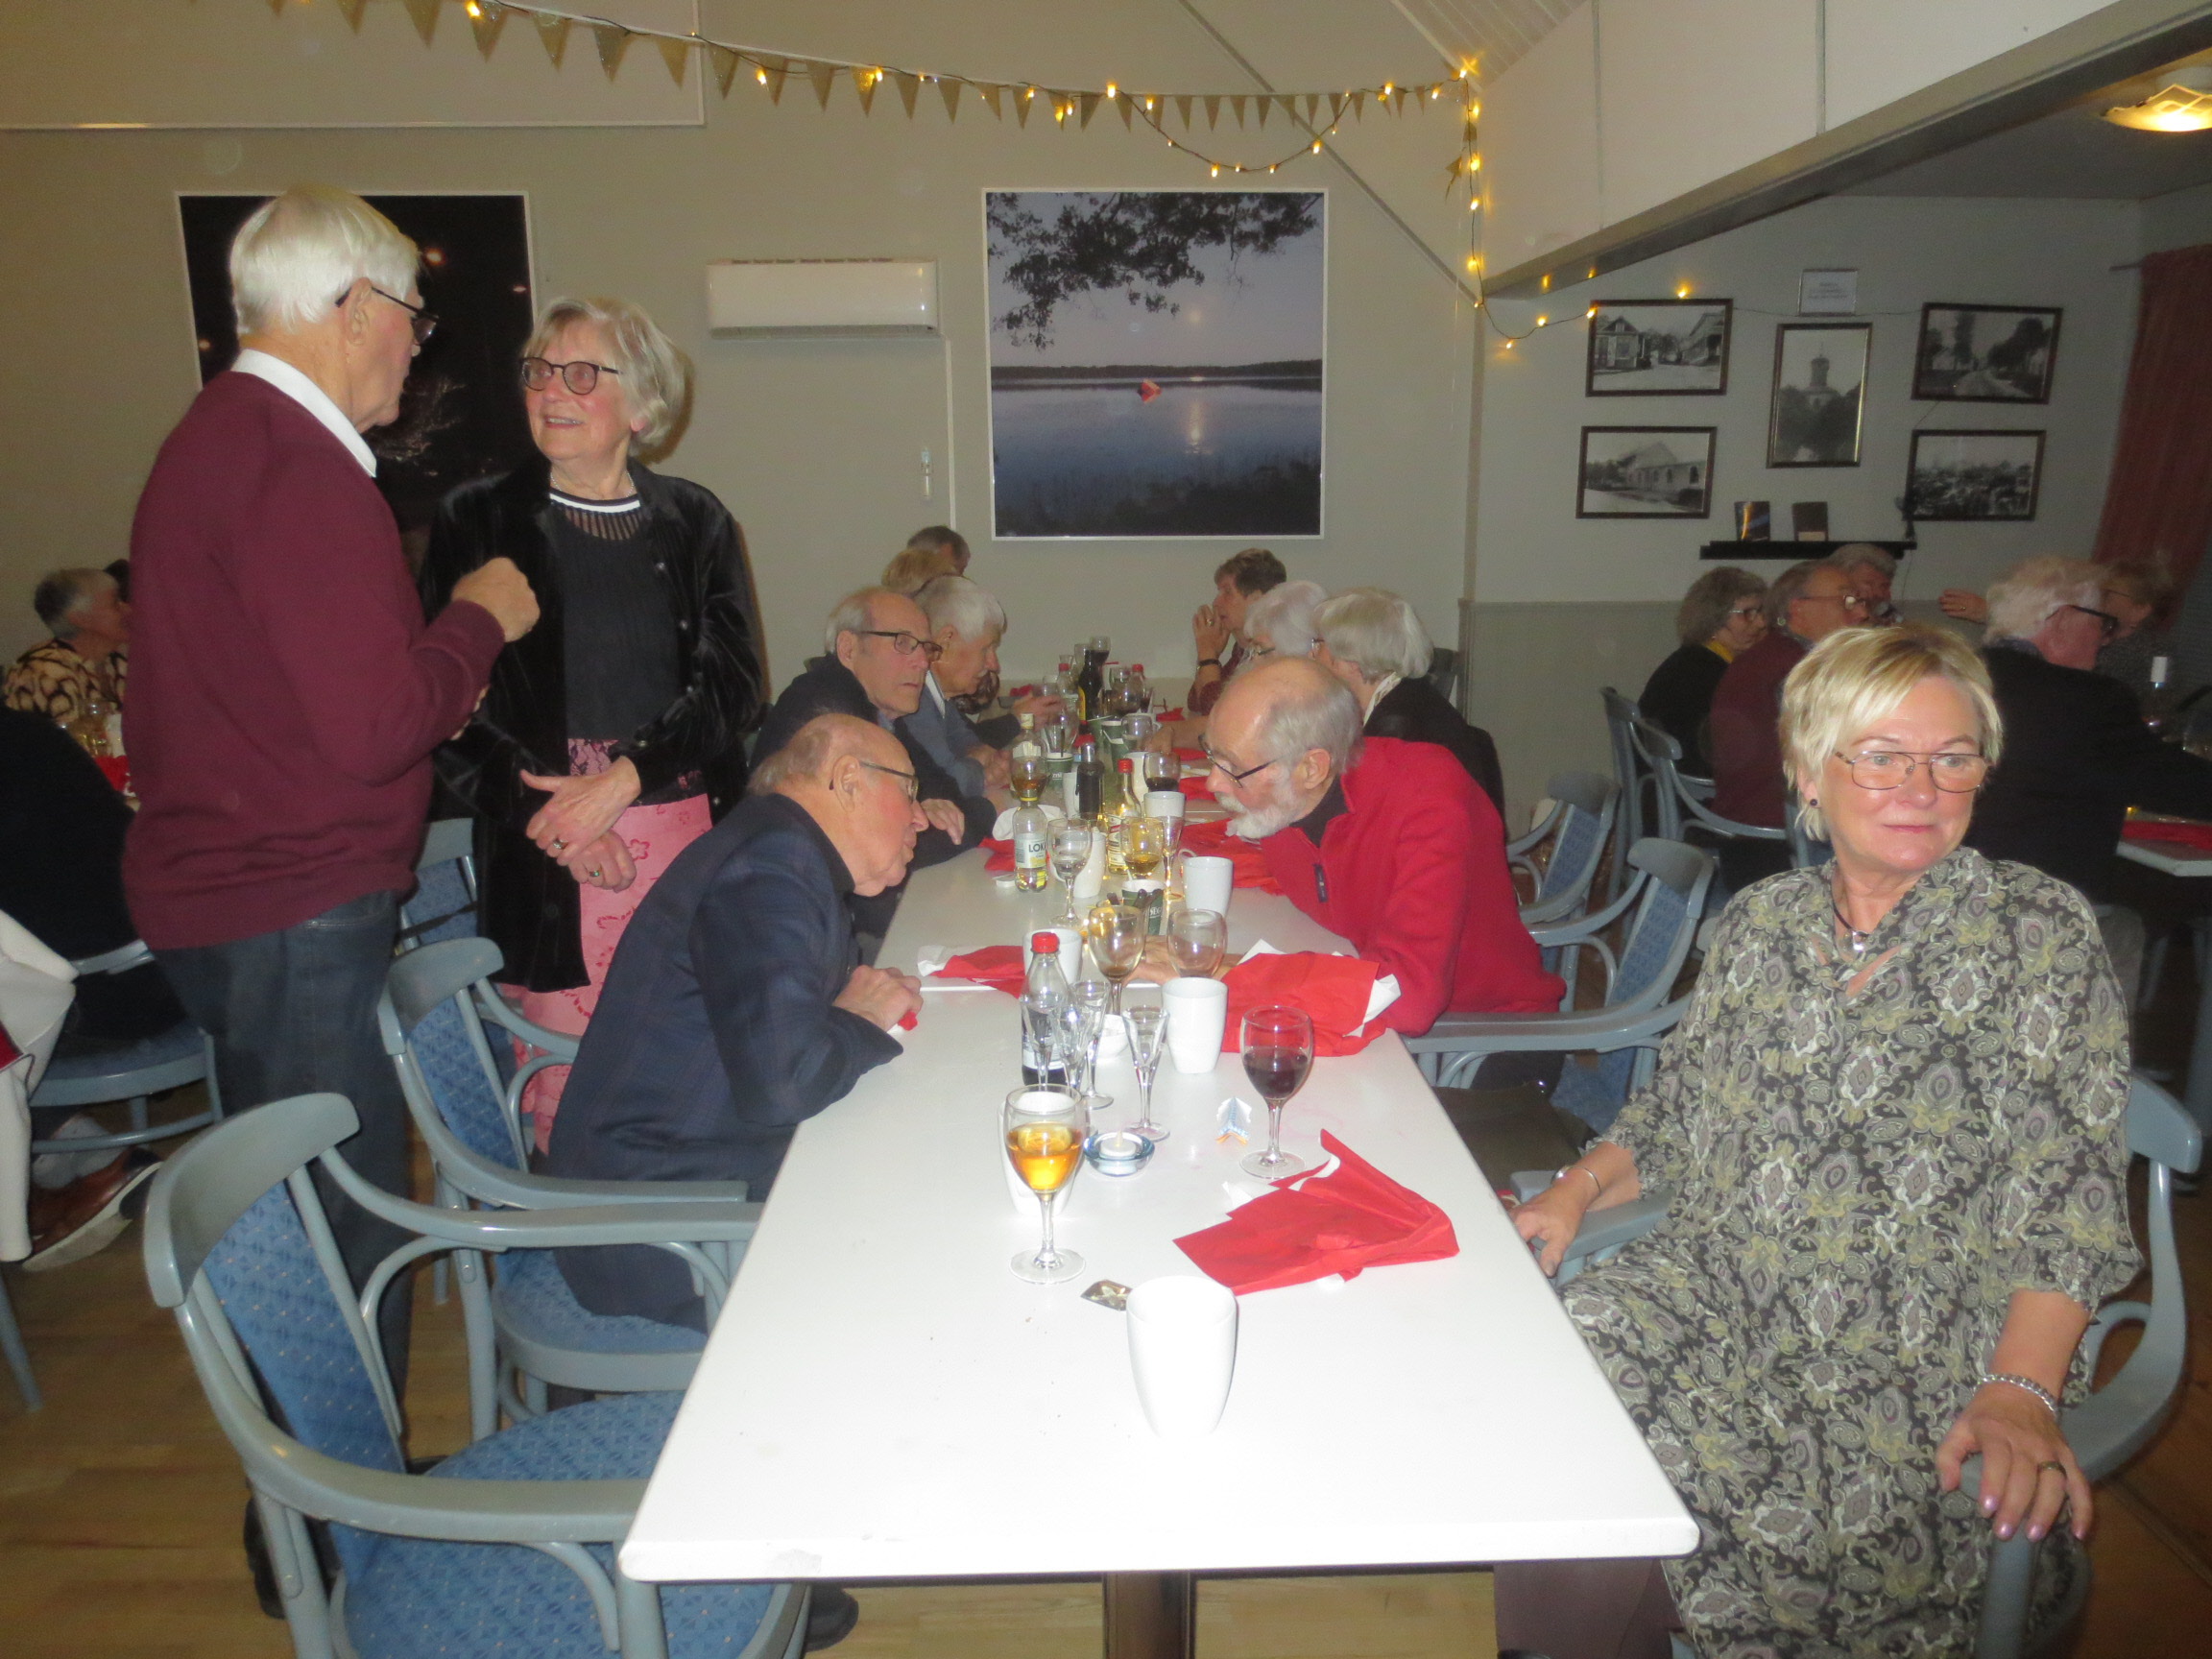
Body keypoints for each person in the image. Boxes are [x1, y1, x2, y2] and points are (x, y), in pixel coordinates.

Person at [1504, 623, 2137, 1659]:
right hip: (1720, 1294)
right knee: (1557, 1382)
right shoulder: (1762, 923)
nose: (1921, 788)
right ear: (1808, 772)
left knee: (1624, 1491)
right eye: (1882, 756)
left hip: (1910, 1351)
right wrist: (1572, 1194)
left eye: (1952, 757)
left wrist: (2021, 1389)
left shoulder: (2035, 934)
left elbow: (2068, 1202)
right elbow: (1677, 1113)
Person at [123, 184, 539, 1382]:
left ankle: (321, 1482)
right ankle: (342, 1493)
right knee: (333, 1231)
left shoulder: (223, 441)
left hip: (247, 898)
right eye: (412, 316)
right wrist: (477, 619)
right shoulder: (295, 468)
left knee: (298, 1215)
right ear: (354, 307)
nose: (418, 344)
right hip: (290, 906)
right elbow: (376, 728)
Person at [419, 296, 765, 1150]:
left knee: (690, 1053)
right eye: (540, 371)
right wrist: (556, 819)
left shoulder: (695, 520)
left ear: (641, 406)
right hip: (546, 842)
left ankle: (692, 1208)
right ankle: (584, 1214)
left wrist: (621, 781)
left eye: (581, 374)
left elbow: (734, 687)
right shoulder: (477, 517)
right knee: (577, 1078)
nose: (550, 391)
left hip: (683, 829)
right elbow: (441, 704)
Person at [547, 714, 924, 1326]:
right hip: (663, 1230)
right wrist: (860, 1020)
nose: (920, 817)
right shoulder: (770, 866)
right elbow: (784, 1085)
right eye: (909, 791)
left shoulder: (780, 844)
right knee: (925, 1246)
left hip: (692, 1176)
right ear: (849, 779)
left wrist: (853, 1013)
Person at [1202, 658, 1561, 1031]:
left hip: (1481, 1030)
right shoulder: (1285, 805)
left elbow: (1409, 998)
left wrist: (1235, 972)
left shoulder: (1426, 798)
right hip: (1370, 994)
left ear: (1311, 769)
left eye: (1232, 767)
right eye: (1212, 754)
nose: (1214, 783)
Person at [1964, 555, 2212, 998]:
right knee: (2140, 918)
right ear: (2062, 620)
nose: (2106, 638)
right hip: (2037, 915)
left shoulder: (1955, 676)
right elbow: (2173, 784)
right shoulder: (2087, 699)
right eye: (2102, 623)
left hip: (1946, 898)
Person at [0, 707, 182, 1269]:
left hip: (101, 998)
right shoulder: (24, 729)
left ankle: (67, 1172)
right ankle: (79, 1165)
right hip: (171, 965)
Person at [755, 588, 994, 934]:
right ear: (849, 648)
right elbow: (885, 860)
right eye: (903, 643)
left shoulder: (881, 710)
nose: (923, 662)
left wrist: (939, 810)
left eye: (925, 648)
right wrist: (987, 810)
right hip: (803, 930)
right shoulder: (832, 718)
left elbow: (944, 790)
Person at [1708, 560, 1867, 884]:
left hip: (1750, 831)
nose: (1862, 613)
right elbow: (1835, 764)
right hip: (1777, 849)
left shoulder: (1773, 654)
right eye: (1846, 601)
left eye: (1860, 601)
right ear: (1798, 608)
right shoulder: (1798, 671)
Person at [1310, 586, 1504, 813]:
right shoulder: (1410, 697)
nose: (1311, 655)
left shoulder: (1398, 726)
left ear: (1350, 660)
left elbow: (1366, 814)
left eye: (1318, 644)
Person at [1636, 567, 1766, 777]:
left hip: (1661, 784)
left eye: (1760, 612)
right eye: (1747, 613)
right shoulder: (1710, 676)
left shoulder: (1689, 660)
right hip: (1692, 789)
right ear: (1715, 619)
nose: (1761, 623)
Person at [5, 567, 132, 748]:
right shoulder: (43, 672)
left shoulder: (119, 663)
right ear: (80, 618)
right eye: (115, 604)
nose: (128, 609)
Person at [1189, 546, 1286, 715]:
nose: (1216, 602)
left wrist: (1207, 654)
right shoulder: (1242, 650)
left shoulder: (1272, 652)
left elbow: (1218, 712)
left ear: (1258, 599)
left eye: (1228, 592)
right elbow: (1196, 702)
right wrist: (1209, 655)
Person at [1831, 542, 1901, 625]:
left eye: (1884, 586)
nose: (1878, 593)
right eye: (1869, 584)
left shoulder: (1885, 611)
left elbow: (1904, 628)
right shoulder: (1827, 612)